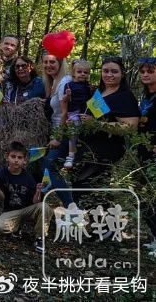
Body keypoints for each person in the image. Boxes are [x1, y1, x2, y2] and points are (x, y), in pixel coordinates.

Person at [63, 57, 139, 204]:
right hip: (86, 149)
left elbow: (130, 127)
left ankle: (100, 219)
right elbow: (92, 116)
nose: (109, 74)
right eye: (106, 71)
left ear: (122, 74)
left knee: (93, 193)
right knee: (80, 192)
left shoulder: (125, 96)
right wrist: (76, 122)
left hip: (104, 152)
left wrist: (97, 125)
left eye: (114, 71)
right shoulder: (99, 91)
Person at [0, 141, 53, 253]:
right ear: (7, 157)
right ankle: (16, 227)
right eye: (13, 156)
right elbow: (2, 198)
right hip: (10, 212)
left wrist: (38, 192)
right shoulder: (0, 174)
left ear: (24, 160)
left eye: (19, 157)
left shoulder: (29, 177)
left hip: (26, 210)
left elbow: (35, 202)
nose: (16, 160)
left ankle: (39, 238)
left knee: (45, 207)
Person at [40, 51, 73, 206]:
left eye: (52, 62)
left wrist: (58, 137)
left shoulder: (65, 81)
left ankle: (71, 207)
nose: (48, 65)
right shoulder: (53, 82)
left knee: (49, 167)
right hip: (55, 131)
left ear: (60, 63)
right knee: (47, 167)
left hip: (65, 132)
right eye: (45, 62)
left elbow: (66, 113)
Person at [58, 59, 92, 168]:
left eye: (85, 72)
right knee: (73, 132)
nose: (82, 74)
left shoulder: (87, 86)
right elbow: (64, 100)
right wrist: (67, 95)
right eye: (79, 72)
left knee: (83, 133)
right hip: (73, 112)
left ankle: (81, 155)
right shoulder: (69, 85)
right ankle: (70, 156)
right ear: (73, 73)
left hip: (85, 112)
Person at [137, 57, 156, 250]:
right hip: (143, 151)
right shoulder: (146, 96)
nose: (145, 75)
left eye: (150, 71)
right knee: (143, 195)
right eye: (142, 71)